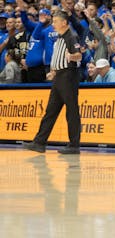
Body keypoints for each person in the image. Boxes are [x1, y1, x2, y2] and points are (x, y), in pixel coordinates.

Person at [23, 10, 83, 154]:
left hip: (68, 77)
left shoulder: (71, 36)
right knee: (50, 111)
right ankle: (39, 142)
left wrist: (72, 57)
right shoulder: (60, 37)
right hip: (59, 77)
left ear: (64, 22)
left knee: (72, 111)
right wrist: (54, 71)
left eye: (55, 21)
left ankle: (74, 145)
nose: (53, 24)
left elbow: (79, 55)